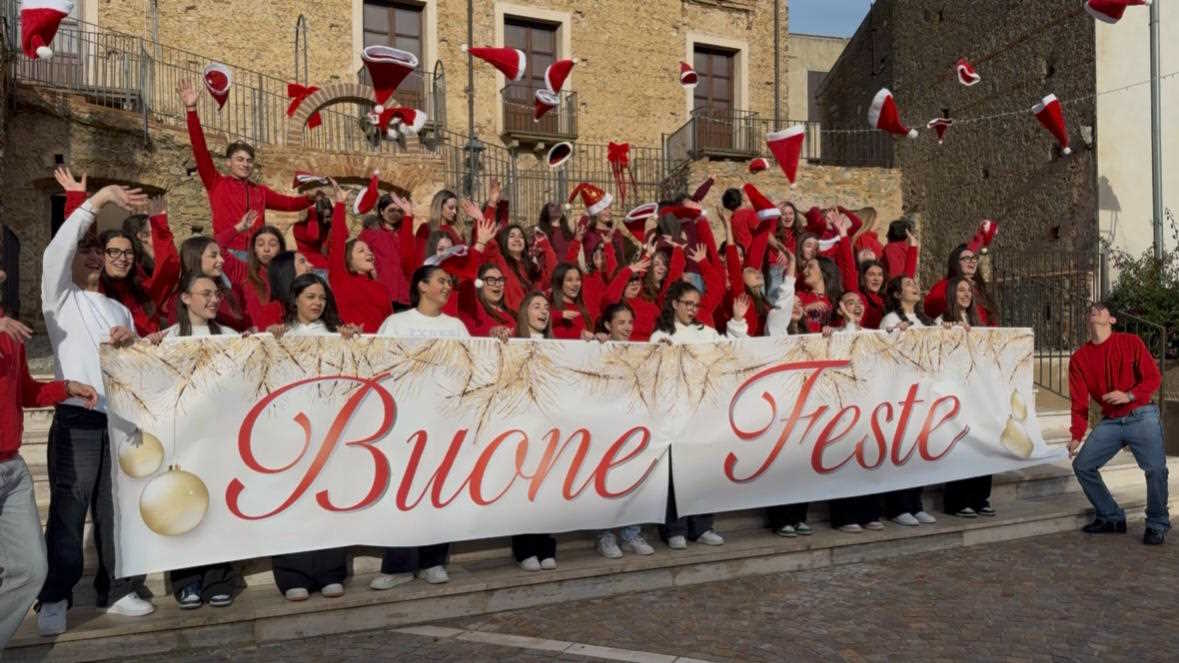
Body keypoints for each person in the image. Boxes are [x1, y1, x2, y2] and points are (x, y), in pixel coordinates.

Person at [38, 184, 153, 637]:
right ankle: (54, 596)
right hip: (77, 419)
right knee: (69, 510)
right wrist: (98, 199)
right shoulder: (59, 298)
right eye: (84, 249)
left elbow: (133, 369)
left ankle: (118, 588)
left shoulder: (118, 309)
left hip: (117, 419)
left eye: (96, 251)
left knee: (114, 508)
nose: (91, 256)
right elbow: (56, 251)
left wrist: (134, 342)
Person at [0, 317, 98, 648]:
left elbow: (25, 390)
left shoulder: (10, 331)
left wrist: (66, 388)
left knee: (30, 570)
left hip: (12, 469)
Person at [147, 273, 244, 607]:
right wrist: (148, 350)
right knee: (183, 505)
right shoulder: (168, 339)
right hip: (182, 440)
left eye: (217, 294)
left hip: (218, 438)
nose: (214, 300)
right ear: (185, 298)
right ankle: (186, 581)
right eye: (206, 294)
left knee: (217, 508)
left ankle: (219, 578)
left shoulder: (229, 337)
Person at [369, 265, 467, 590]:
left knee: (437, 491)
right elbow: (379, 364)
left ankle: (433, 561)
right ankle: (398, 565)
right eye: (441, 280)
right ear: (422, 286)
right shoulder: (396, 323)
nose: (447, 286)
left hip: (443, 422)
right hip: (405, 422)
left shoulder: (456, 326)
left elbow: (468, 368)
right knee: (402, 493)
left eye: (449, 282)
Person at [268, 273, 353, 596]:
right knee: (290, 501)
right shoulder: (279, 335)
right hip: (289, 431)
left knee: (328, 500)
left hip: (329, 429)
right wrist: (268, 341)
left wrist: (352, 340)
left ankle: (331, 571)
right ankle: (293, 576)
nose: (317, 303)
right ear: (295, 300)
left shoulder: (336, 335)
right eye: (310, 297)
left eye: (322, 298)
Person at [650, 282, 749, 549]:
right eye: (688, 304)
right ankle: (675, 529)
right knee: (674, 475)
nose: (692, 309)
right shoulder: (661, 335)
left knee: (702, 472)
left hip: (703, 414)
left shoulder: (707, 333)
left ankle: (703, 526)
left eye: (696, 305)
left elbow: (732, 352)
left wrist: (737, 321)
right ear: (675, 304)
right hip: (674, 415)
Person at [1069, 302, 1169, 545]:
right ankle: (1111, 517)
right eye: (1092, 309)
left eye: (1101, 308)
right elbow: (1079, 401)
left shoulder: (1130, 342)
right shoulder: (1079, 358)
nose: (1095, 309)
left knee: (1156, 470)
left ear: (1112, 320)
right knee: (1082, 465)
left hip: (1141, 414)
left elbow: (1153, 377)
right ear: (1088, 320)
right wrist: (1076, 435)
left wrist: (1129, 395)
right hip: (1112, 421)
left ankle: (1156, 524)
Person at [177, 80, 312, 254]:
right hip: (228, 253)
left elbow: (289, 204)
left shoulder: (260, 192)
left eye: (249, 161)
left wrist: (310, 198)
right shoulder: (216, 183)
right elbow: (200, 149)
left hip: (256, 255)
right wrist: (191, 110)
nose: (245, 164)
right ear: (229, 162)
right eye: (240, 159)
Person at [592, 302, 656, 558]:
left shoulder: (640, 352)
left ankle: (631, 533)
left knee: (633, 479)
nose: (627, 327)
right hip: (606, 427)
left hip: (633, 426)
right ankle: (605, 535)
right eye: (621, 322)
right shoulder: (598, 350)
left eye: (630, 322)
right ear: (608, 324)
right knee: (604, 482)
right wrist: (594, 343)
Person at [823, 293, 885, 533]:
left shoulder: (873, 335)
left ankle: (870, 513)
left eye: (860, 303)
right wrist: (846, 324)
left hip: (870, 406)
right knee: (844, 459)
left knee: (870, 458)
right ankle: (844, 515)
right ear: (840, 309)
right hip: (843, 408)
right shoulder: (833, 334)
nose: (857, 306)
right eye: (850, 303)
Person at [878, 277, 937, 527]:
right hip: (901, 394)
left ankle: (916, 504)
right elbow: (884, 352)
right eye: (909, 284)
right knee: (901, 451)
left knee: (918, 452)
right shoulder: (890, 320)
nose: (915, 287)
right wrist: (895, 335)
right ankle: (898, 507)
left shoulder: (926, 321)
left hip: (924, 393)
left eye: (915, 283)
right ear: (897, 294)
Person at [937, 277, 995, 518]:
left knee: (983, 443)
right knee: (960, 446)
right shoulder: (942, 321)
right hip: (955, 393)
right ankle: (958, 501)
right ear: (952, 293)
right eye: (961, 290)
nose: (966, 294)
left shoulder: (978, 322)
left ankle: (981, 498)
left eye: (969, 290)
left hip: (977, 392)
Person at [509, 295, 559, 571]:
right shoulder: (513, 342)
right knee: (524, 490)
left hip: (550, 428)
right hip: (523, 427)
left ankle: (546, 547)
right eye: (536, 306)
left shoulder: (557, 346)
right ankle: (525, 549)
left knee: (548, 492)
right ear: (524, 312)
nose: (543, 311)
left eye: (547, 307)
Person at [326, 179, 394, 333]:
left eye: (369, 250)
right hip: (351, 343)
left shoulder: (381, 288)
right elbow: (337, 243)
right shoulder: (341, 279)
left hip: (379, 345)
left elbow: (389, 326)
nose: (369, 252)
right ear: (349, 261)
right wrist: (340, 204)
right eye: (361, 251)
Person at [359, 193, 412, 308]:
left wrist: (408, 215)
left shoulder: (404, 233)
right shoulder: (370, 234)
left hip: (404, 295)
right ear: (382, 211)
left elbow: (408, 258)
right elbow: (359, 262)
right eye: (391, 210)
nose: (395, 214)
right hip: (380, 293)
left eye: (399, 211)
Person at [550, 263, 597, 340]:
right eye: (569, 280)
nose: (575, 284)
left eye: (578, 279)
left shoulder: (584, 308)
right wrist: (560, 315)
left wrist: (598, 336)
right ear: (559, 282)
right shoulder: (550, 306)